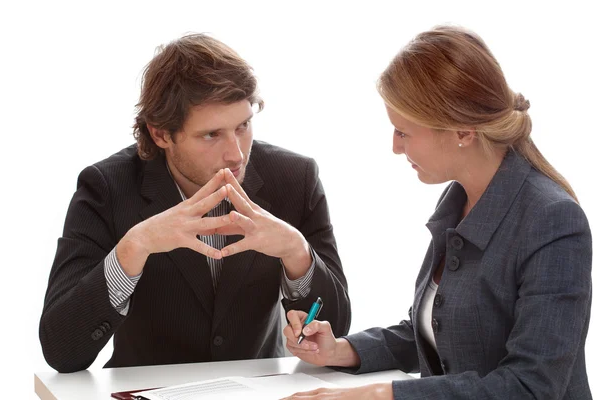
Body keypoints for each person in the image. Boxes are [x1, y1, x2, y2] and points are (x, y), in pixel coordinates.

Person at [283, 25, 592, 399]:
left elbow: (532, 387)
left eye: (403, 132)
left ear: (462, 131)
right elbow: (439, 331)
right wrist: (341, 350)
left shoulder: (553, 221)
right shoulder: (459, 198)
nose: (395, 147)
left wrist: (381, 394)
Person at [39, 33, 351, 373]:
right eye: (211, 135)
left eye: (243, 126)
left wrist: (297, 253)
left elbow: (336, 334)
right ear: (160, 134)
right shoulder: (106, 188)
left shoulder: (294, 177)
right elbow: (61, 351)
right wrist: (134, 247)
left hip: (263, 391)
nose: (236, 154)